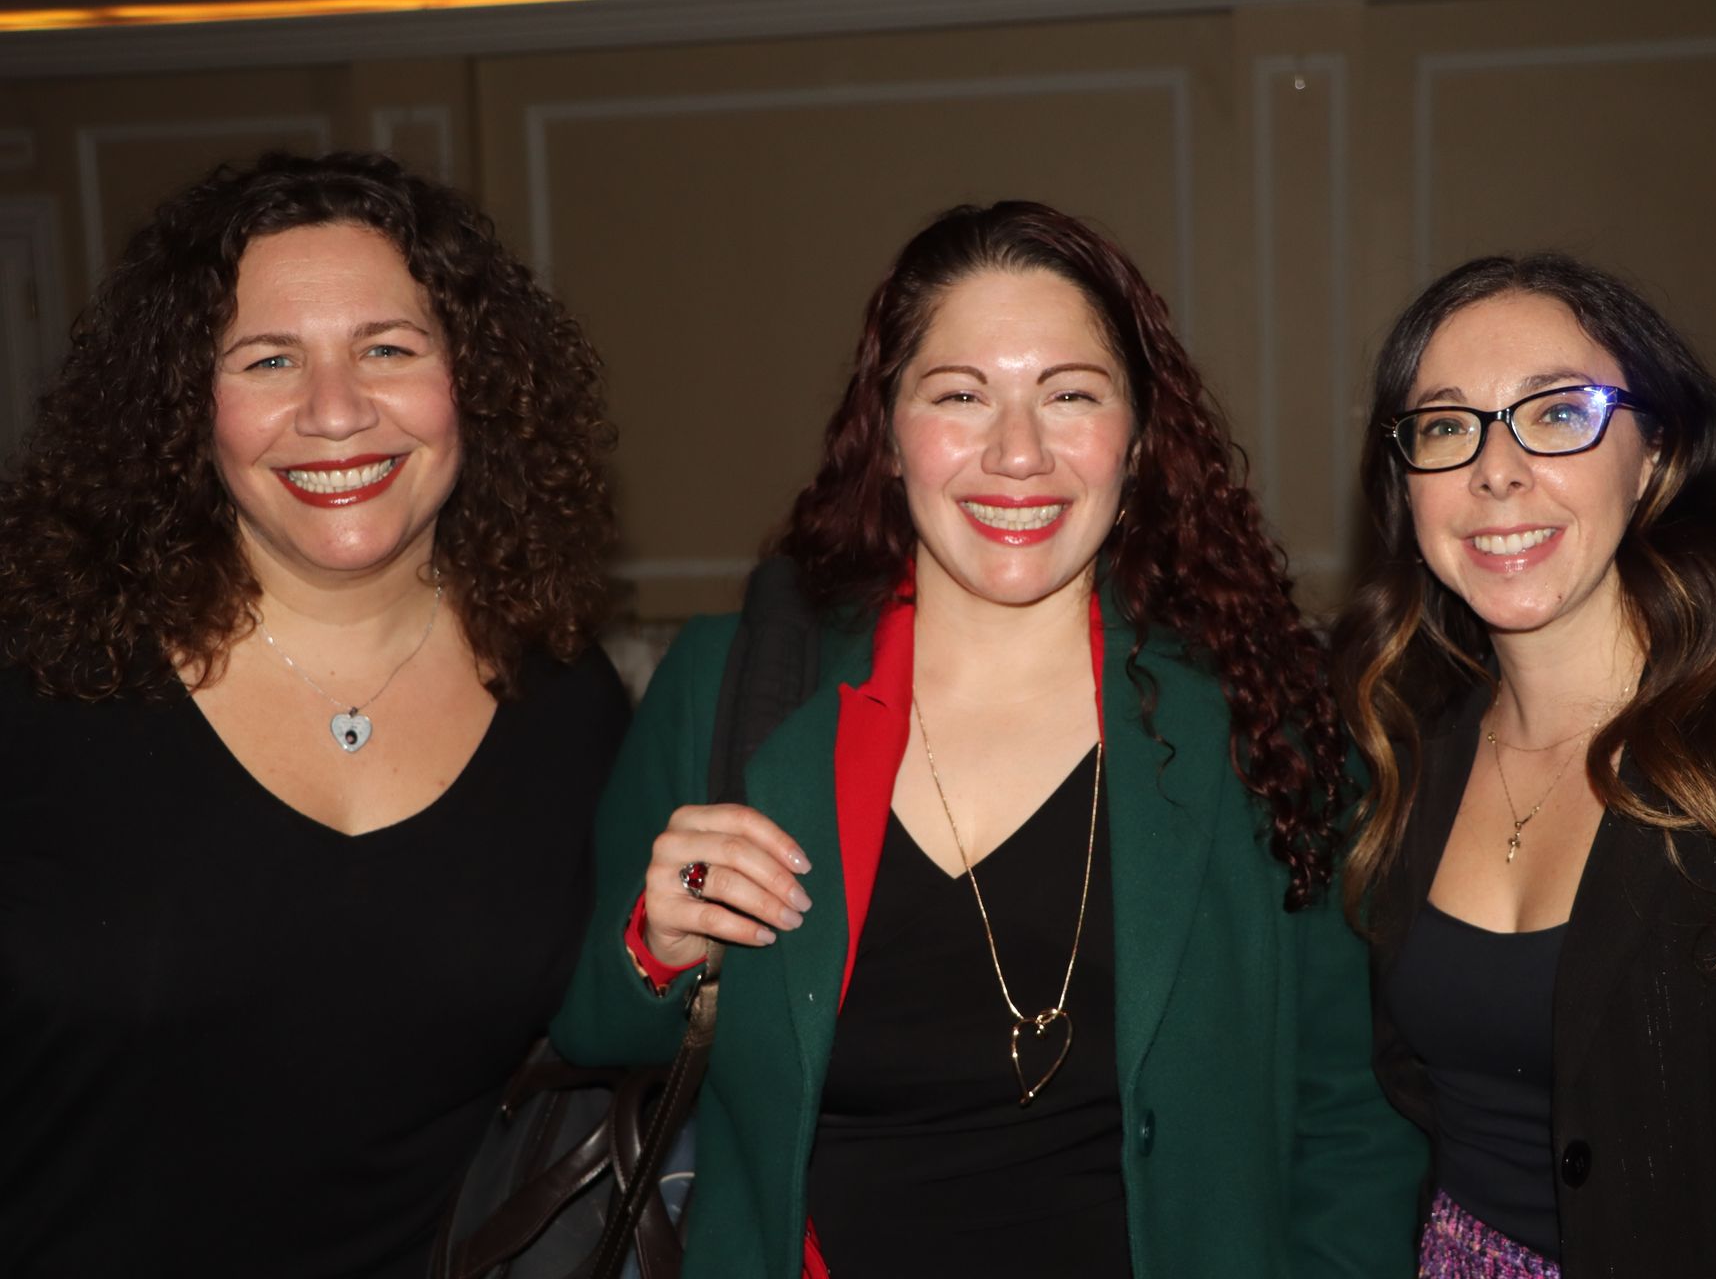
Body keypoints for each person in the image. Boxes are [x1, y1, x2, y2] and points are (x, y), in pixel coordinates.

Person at [552, 201, 1423, 1277]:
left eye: (1070, 395)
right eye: (961, 395)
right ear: (888, 432)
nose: (1018, 452)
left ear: (1139, 440)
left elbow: (1352, 1116)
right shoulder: (731, 686)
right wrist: (661, 941)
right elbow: (592, 1027)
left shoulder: (1262, 716)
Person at [0, 151, 630, 1276]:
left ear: (472, 381)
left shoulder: (567, 703)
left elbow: (598, 1034)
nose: (336, 412)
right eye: (269, 359)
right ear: (185, 406)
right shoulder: (41, 683)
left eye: (388, 348)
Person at [1332, 252, 1716, 1277]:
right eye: (1447, 426)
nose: (1496, 469)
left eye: (1559, 412)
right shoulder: (1399, 753)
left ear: (1654, 455)